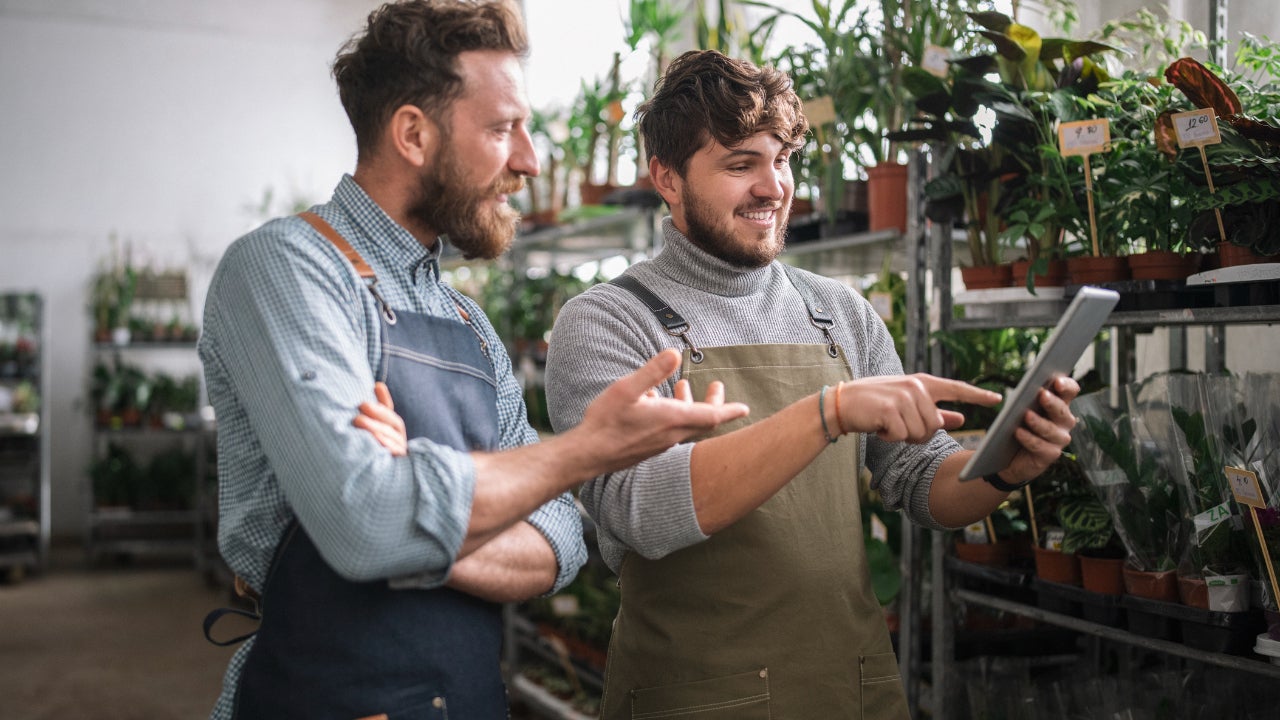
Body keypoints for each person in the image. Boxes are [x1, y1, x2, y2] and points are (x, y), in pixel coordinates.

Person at [197, 4, 747, 719]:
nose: (529, 160)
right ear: (413, 134)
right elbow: (364, 525)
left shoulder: (470, 324)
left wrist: (412, 513)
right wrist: (581, 453)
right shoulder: (288, 270)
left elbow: (557, 548)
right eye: (501, 129)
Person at [543, 49, 1081, 719]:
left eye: (783, 160)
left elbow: (920, 482)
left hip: (850, 690)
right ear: (667, 178)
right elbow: (642, 511)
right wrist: (827, 411)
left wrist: (1002, 467)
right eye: (740, 165)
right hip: (698, 697)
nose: (773, 187)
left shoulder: (836, 310)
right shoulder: (607, 321)